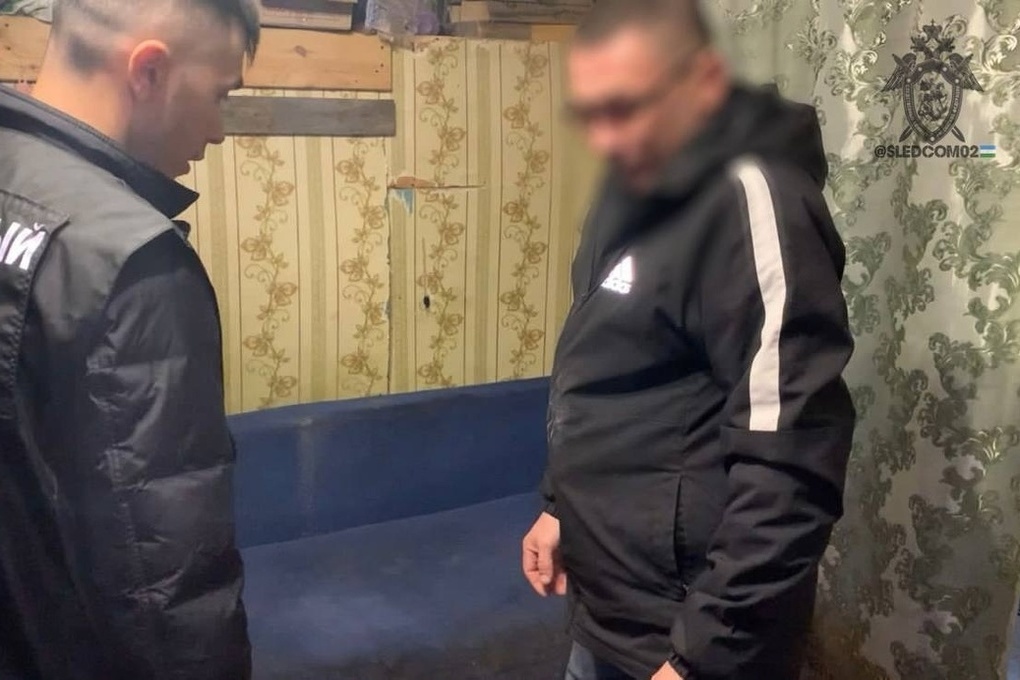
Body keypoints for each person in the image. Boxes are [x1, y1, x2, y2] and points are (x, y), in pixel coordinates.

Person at [521, 1, 856, 679]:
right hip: (608, 606)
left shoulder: (753, 196)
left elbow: (792, 454)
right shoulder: (629, 185)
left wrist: (705, 653)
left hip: (689, 634)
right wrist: (559, 508)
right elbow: (608, 369)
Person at [0, 1, 259, 678]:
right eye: (220, 96)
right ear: (148, 72)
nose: (219, 130)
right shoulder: (133, 261)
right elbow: (168, 584)